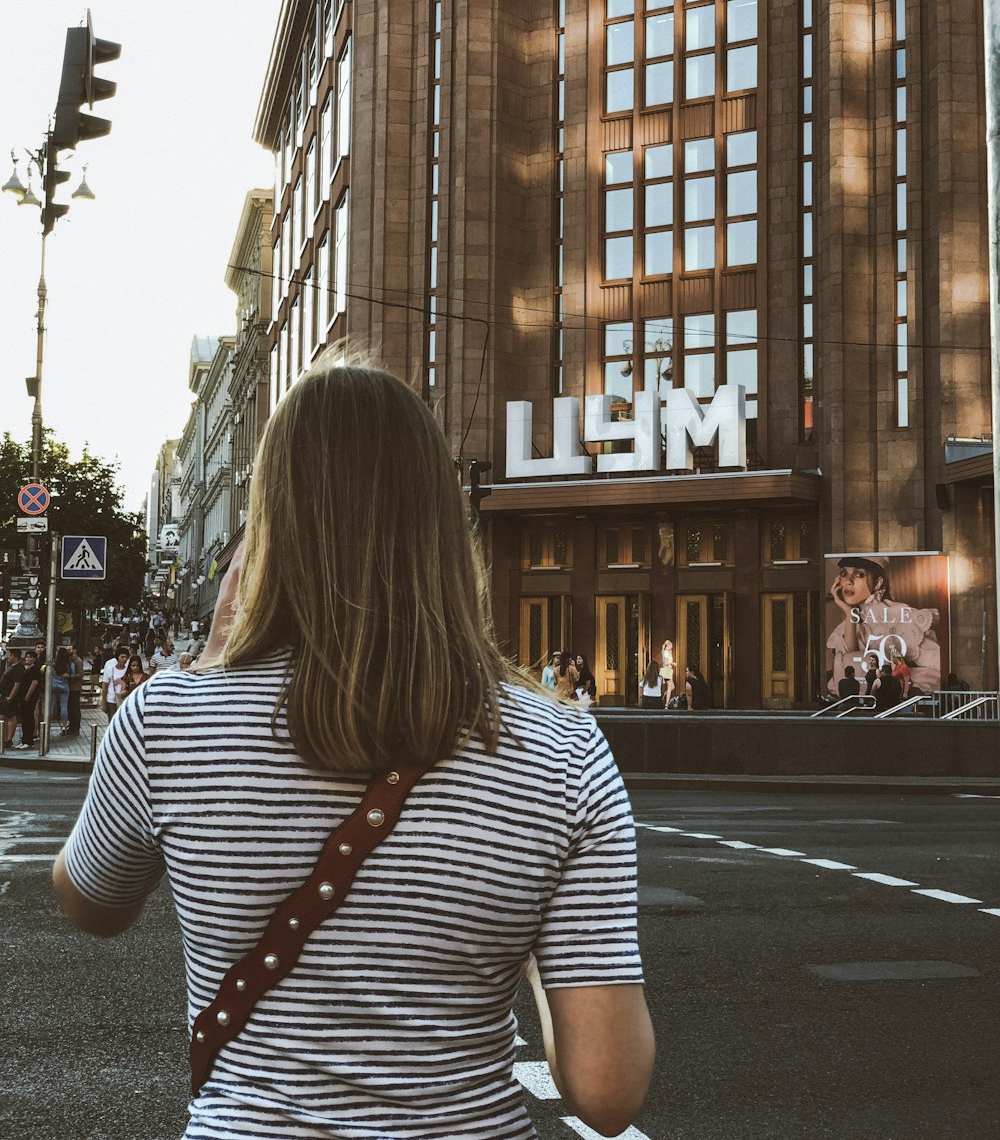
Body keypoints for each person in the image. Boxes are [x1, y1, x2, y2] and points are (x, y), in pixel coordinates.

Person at [53, 355, 654, 1140]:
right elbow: (607, 1092)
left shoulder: (166, 719)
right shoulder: (561, 747)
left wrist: (205, 667)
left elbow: (91, 902)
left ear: (270, 524)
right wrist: (530, 919)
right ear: (441, 524)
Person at [826, 554, 941, 697]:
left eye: (859, 574)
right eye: (844, 574)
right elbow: (851, 660)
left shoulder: (898, 614)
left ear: (878, 583)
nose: (848, 582)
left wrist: (901, 682)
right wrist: (850, 616)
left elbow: (937, 666)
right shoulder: (851, 620)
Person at [100, 647, 130, 722]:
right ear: (117, 658)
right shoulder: (110, 670)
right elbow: (104, 688)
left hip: (125, 700)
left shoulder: (128, 671)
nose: (124, 659)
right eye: (122, 657)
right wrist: (104, 702)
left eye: (126, 657)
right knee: (113, 721)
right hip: (112, 700)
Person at [66, 645, 85, 738]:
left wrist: (70, 677)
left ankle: (76, 727)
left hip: (75, 688)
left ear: (74, 650)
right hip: (68, 687)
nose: (68, 651)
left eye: (69, 649)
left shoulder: (78, 661)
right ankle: (71, 725)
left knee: (75, 707)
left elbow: (81, 674)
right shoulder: (69, 660)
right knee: (70, 707)